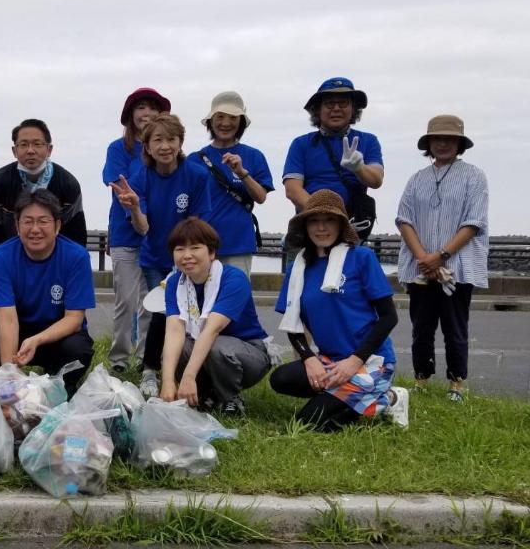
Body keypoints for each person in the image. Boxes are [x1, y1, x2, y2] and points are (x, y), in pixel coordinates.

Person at [271, 190, 408, 431]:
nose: (321, 228)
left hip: (370, 360)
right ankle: (346, 396)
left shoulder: (362, 257)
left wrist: (354, 362)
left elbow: (388, 317)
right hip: (329, 360)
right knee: (280, 379)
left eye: (329, 220)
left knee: (305, 424)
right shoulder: (297, 268)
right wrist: (310, 359)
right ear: (305, 226)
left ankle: (387, 399)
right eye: (314, 220)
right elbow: (293, 326)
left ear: (341, 225)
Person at [110, 113, 211, 398]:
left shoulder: (196, 175)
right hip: (155, 256)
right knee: (162, 312)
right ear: (147, 146)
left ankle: (190, 367)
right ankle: (150, 370)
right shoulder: (141, 176)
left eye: (171, 139)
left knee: (194, 313)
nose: (165, 146)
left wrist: (187, 257)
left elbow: (198, 225)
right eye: (158, 140)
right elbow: (143, 228)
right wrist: (133, 208)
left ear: (180, 143)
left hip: (188, 255)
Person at [396, 115, 489, 402]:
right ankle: (421, 378)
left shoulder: (474, 175)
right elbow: (404, 219)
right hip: (420, 267)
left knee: (455, 328)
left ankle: (457, 383)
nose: (444, 143)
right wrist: (424, 258)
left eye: (450, 138)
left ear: (460, 143)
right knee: (421, 328)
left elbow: (473, 222)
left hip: (457, 267)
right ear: (429, 143)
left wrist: (442, 255)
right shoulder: (416, 179)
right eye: (438, 138)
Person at [0, 190, 95, 395]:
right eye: (27, 221)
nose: (35, 229)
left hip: (56, 335)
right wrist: (9, 376)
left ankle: (60, 384)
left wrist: (38, 340)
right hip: (19, 333)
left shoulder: (76, 257)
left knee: (78, 349)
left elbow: (74, 319)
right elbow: (7, 318)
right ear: (17, 227)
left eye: (43, 221)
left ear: (58, 226)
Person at [159, 218, 271, 415]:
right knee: (179, 346)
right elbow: (174, 330)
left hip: (248, 352)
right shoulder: (176, 283)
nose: (187, 256)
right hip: (207, 347)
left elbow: (212, 330)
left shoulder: (233, 278)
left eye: (195, 248)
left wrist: (188, 376)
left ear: (211, 253)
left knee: (217, 346)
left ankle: (231, 398)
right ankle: (205, 395)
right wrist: (168, 381)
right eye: (179, 249)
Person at [102, 87, 170, 373]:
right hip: (126, 237)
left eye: (153, 108)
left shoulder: (164, 148)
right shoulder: (119, 149)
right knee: (125, 302)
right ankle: (118, 359)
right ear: (130, 115)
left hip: (156, 239)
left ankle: (146, 359)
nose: (147, 113)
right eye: (140, 107)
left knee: (150, 303)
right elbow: (118, 186)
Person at [282, 77, 384, 240]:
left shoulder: (368, 141)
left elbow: (376, 180)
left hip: (352, 227)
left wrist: (359, 168)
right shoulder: (301, 144)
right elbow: (292, 190)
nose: (336, 108)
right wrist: (326, 218)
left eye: (343, 103)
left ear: (353, 109)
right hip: (310, 228)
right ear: (318, 110)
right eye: (329, 103)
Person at [189, 91, 273, 275]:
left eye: (233, 117)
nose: (226, 123)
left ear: (241, 122)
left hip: (238, 243)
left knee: (235, 297)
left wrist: (242, 173)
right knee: (201, 300)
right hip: (201, 243)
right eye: (220, 117)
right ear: (211, 121)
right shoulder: (194, 160)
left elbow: (260, 197)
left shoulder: (254, 156)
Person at [0, 118, 86, 261]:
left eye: (37, 144)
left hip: (56, 265)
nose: (30, 151)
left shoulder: (67, 184)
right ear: (14, 150)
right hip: (12, 263)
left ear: (49, 149)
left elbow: (76, 237)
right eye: (23, 145)